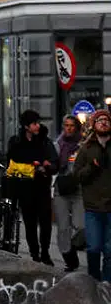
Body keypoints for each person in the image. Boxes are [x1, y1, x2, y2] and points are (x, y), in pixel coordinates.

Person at [5, 108, 58, 265]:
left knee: (45, 222)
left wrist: (48, 167)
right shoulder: (16, 142)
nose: (38, 126)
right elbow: (11, 163)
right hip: (24, 189)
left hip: (42, 187)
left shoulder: (45, 142)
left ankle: (45, 252)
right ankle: (34, 253)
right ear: (26, 126)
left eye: (38, 123)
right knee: (30, 223)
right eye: (34, 123)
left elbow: (55, 162)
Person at [73, 109, 111, 282]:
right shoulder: (86, 149)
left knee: (110, 251)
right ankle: (94, 283)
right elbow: (77, 176)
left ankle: (108, 286)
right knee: (94, 248)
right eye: (100, 120)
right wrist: (92, 168)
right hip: (93, 208)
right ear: (94, 125)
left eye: (107, 120)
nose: (104, 122)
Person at [52, 114, 84, 272]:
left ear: (77, 127)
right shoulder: (58, 145)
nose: (69, 128)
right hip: (61, 189)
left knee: (80, 226)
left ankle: (73, 245)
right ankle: (69, 259)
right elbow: (52, 165)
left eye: (72, 125)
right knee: (63, 227)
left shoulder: (83, 144)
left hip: (78, 189)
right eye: (66, 125)